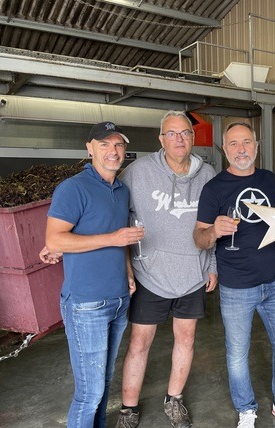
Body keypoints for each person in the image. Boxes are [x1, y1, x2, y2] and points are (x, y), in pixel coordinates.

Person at [193, 122, 275, 428]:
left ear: (256, 146)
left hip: (274, 282)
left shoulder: (270, 181)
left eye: (246, 142)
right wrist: (212, 231)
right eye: (233, 143)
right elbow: (198, 238)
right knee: (237, 355)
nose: (241, 149)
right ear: (224, 149)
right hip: (235, 288)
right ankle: (246, 409)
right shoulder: (214, 188)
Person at [115, 110, 217, 428]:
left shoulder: (209, 175)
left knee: (185, 340)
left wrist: (212, 265)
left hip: (193, 274)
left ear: (193, 137)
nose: (178, 139)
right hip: (150, 274)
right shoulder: (137, 172)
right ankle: (128, 409)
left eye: (184, 133)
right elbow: (118, 215)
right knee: (139, 342)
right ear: (161, 139)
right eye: (171, 134)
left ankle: (174, 400)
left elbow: (215, 224)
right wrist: (127, 266)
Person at [41, 122, 143, 428]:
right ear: (89, 148)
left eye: (118, 145)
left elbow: (121, 240)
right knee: (89, 392)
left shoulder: (122, 189)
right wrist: (112, 238)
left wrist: (127, 272)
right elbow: (55, 240)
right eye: (104, 144)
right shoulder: (73, 188)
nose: (113, 151)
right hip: (86, 304)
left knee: (104, 384)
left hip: (118, 300)